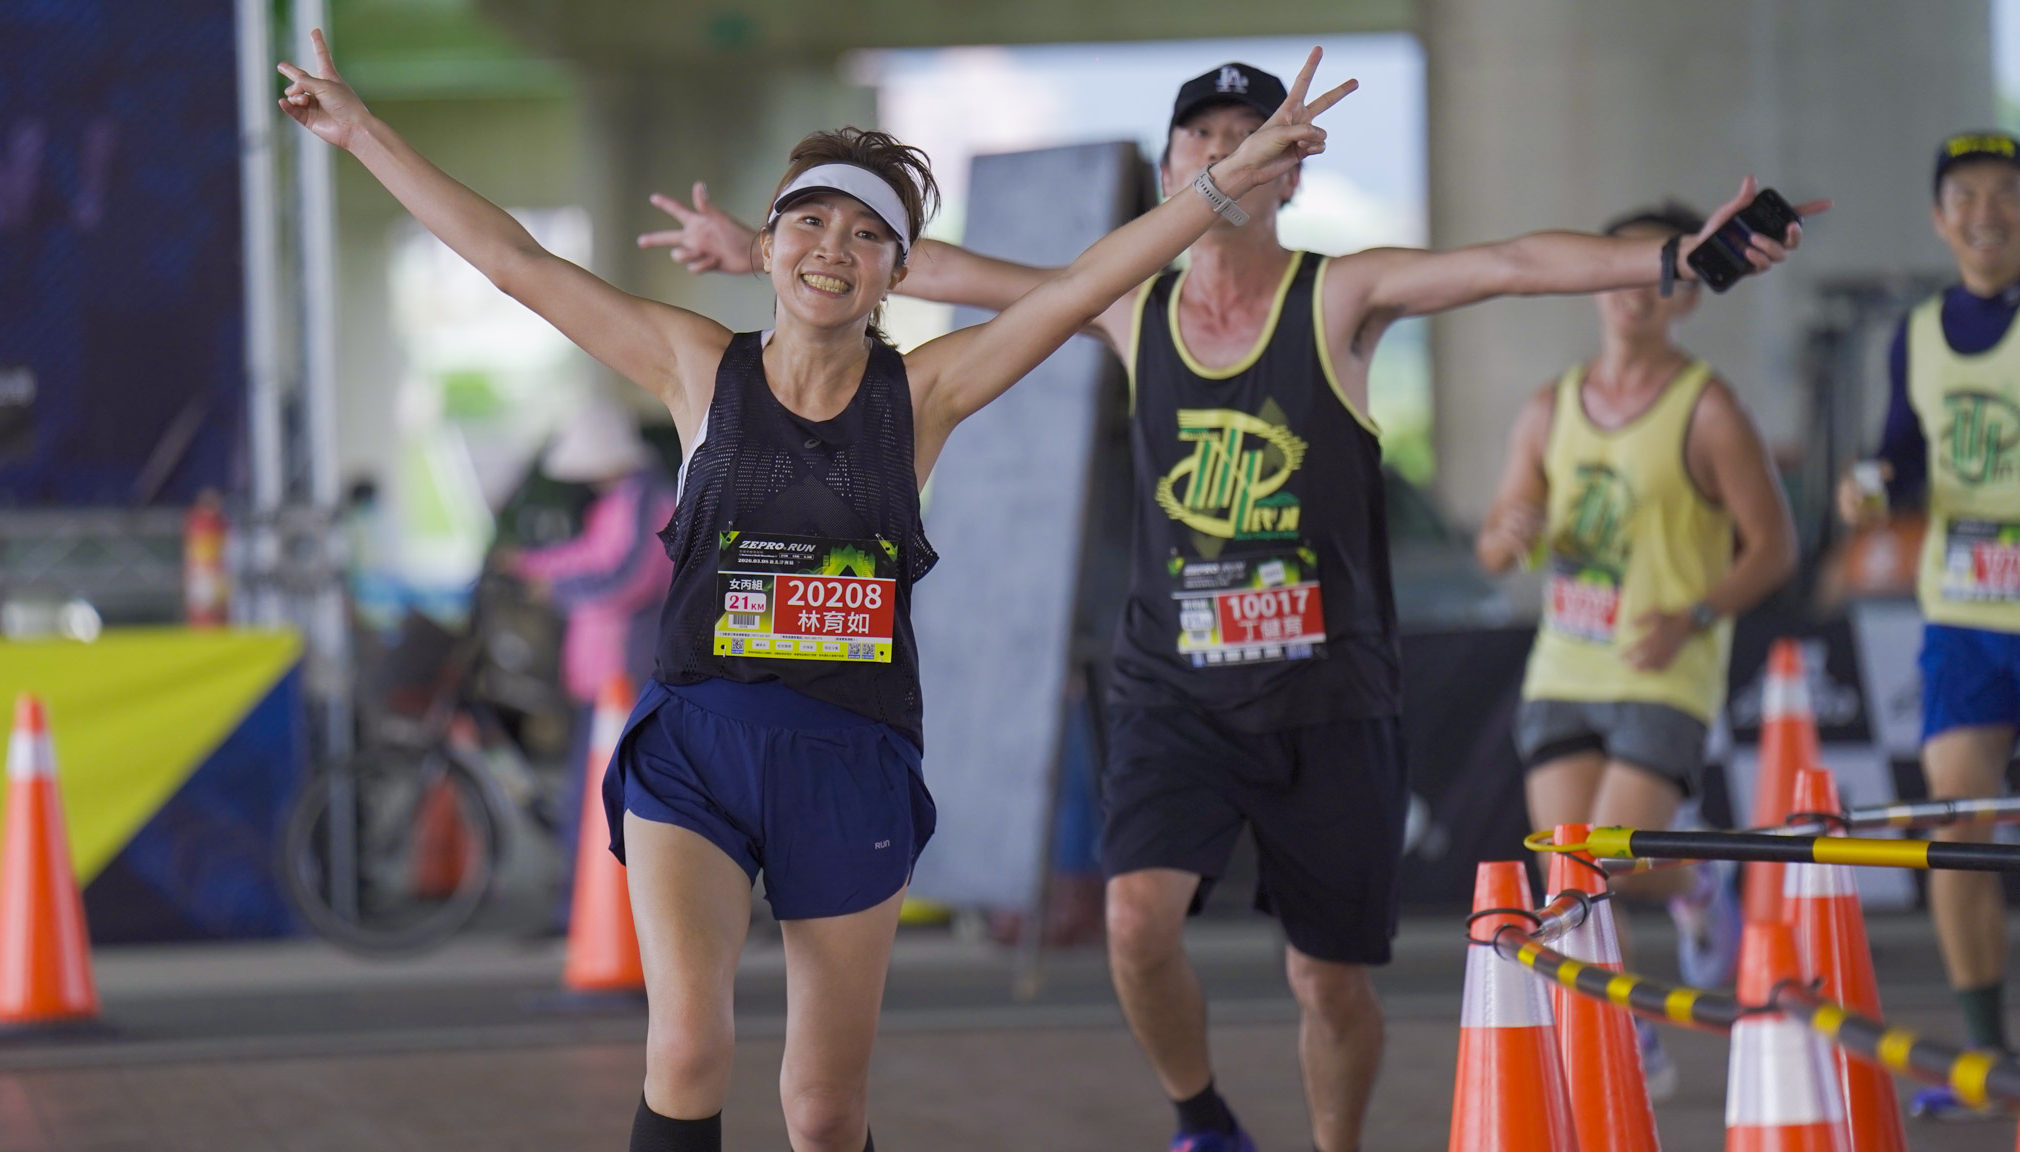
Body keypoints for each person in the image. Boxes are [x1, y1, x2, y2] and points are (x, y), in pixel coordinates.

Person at [644, 61, 1823, 1152]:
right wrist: (758, 244)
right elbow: (935, 268)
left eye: (1250, 135)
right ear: (1174, 173)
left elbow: (1506, 262)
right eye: (1201, 138)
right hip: (1175, 689)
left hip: (1329, 693)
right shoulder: (1127, 306)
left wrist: (1674, 257)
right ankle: (1201, 1118)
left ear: (1290, 167)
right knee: (1135, 923)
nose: (1226, 151)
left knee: (1327, 982)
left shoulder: (1340, 294)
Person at [278, 31, 1352, 1152]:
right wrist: (362, 133)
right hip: (696, 746)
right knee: (686, 1049)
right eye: (810, 220)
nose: (834, 246)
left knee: (824, 1111)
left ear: (897, 271)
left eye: (867, 233)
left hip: (848, 760)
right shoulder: (695, 365)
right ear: (768, 245)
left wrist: (1224, 182)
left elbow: (1090, 282)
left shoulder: (925, 394)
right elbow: (513, 262)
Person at [1475, 202, 1797, 1098]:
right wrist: (1510, 533)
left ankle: (1691, 885)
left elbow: (1775, 547)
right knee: (1566, 869)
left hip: (1663, 670)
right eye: (1621, 267)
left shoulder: (1709, 408)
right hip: (1564, 665)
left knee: (1603, 862)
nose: (1636, 290)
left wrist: (1694, 615)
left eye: (1664, 275)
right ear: (1592, 280)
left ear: (1689, 296)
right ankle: (1631, 1031)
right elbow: (1495, 547)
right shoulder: (1549, 407)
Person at [1836, 129, 2020, 1121]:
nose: (1986, 212)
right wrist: (1866, 487)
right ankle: (1987, 1055)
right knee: (1956, 825)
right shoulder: (1915, 333)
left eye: (2005, 192)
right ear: (1939, 219)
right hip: (1960, 614)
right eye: (1965, 195)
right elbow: (1898, 457)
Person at [507, 392, 676, 918]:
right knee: (596, 791)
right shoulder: (624, 499)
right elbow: (596, 558)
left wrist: (551, 585)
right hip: (608, 674)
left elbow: (626, 577)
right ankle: (586, 909)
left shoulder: (645, 500)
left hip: (625, 673)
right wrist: (534, 565)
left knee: (601, 792)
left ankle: (587, 913)